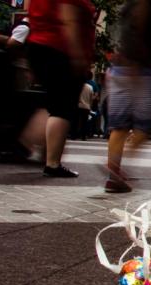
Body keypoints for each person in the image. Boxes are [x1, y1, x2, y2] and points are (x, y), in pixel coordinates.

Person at [21, 0, 96, 177]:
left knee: (52, 102)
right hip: (59, 48)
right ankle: (52, 162)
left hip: (39, 45)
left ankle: (30, 141)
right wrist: (78, 54)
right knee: (63, 107)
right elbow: (68, 18)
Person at [102, 0, 151, 193]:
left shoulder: (128, 5)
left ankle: (113, 176)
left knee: (119, 126)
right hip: (139, 69)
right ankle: (113, 169)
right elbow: (139, 27)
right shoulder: (145, 5)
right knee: (145, 127)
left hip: (119, 67)